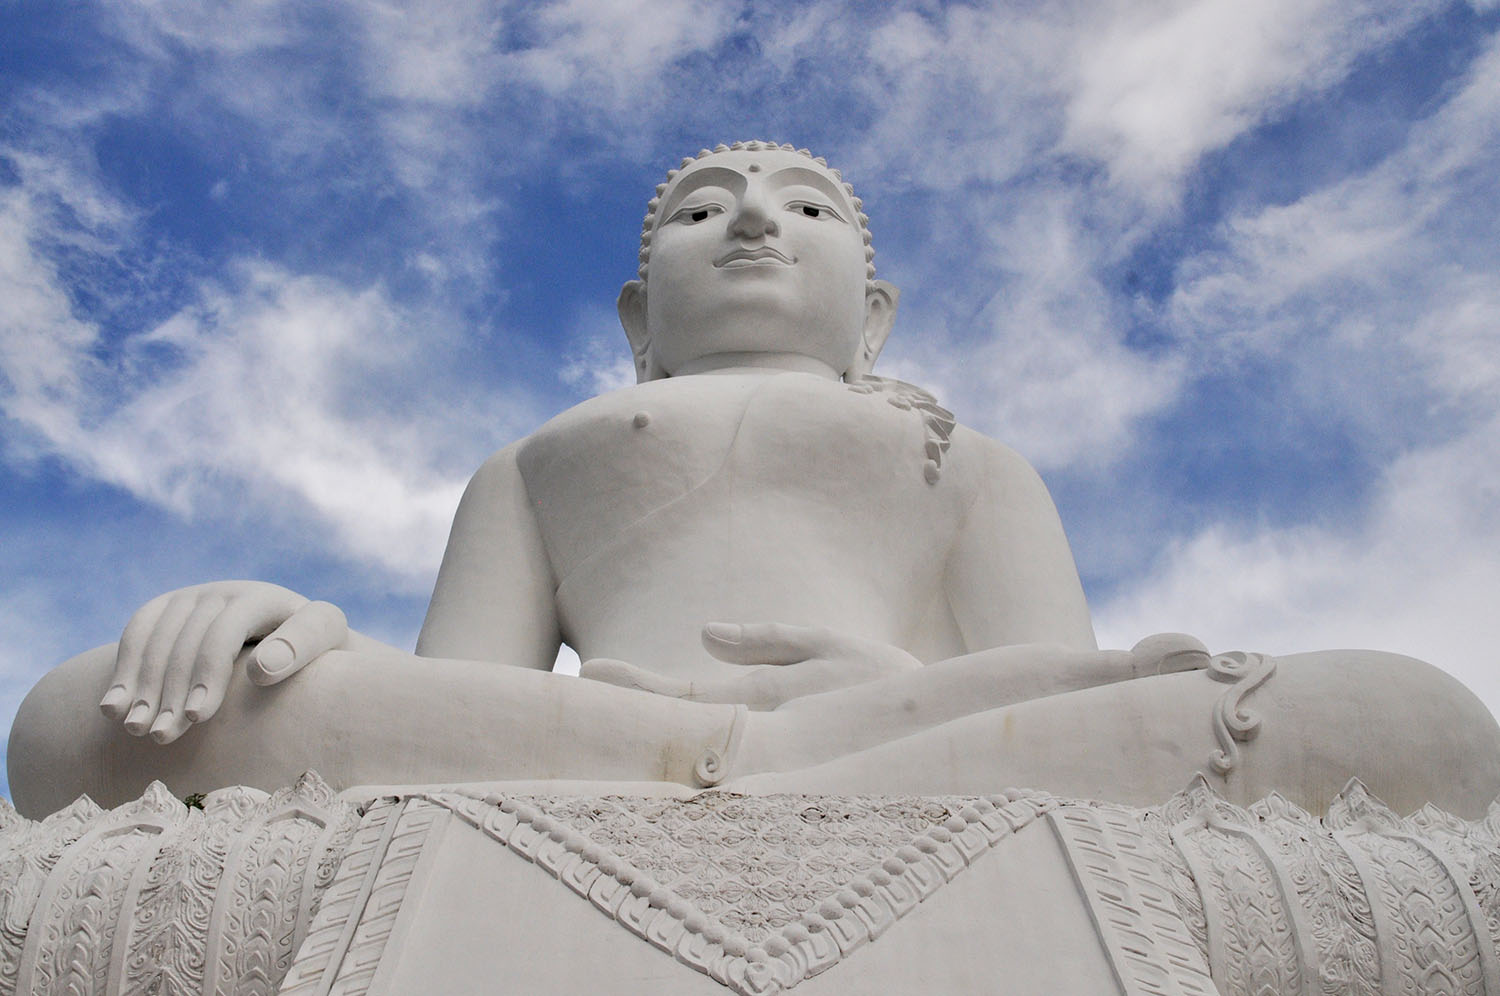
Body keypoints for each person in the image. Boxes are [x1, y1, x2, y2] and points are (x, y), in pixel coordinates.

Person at [10, 142, 1499, 819]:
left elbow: (1074, 685)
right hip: (598, 732)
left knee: (1413, 717)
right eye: (704, 209)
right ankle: (775, 760)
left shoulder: (966, 460)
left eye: (806, 206)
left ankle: (807, 750)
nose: (753, 227)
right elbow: (449, 702)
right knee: (86, 713)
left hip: (908, 721)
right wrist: (290, 629)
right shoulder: (540, 459)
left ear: (878, 311)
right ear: (636, 321)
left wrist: (889, 683)